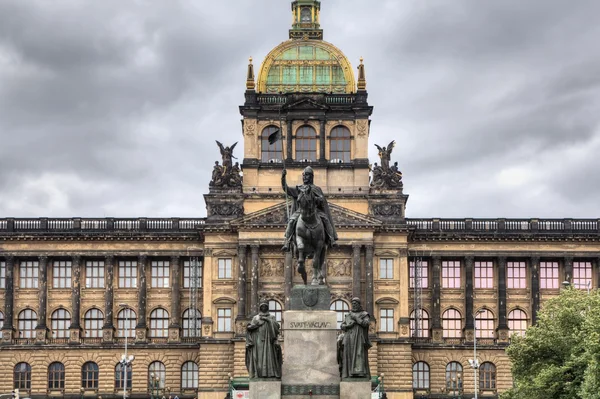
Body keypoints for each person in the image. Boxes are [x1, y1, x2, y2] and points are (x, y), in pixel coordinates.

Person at [281, 166, 338, 251]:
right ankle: (287, 241)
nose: (304, 177)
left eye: (307, 175)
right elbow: (286, 189)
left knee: (326, 220)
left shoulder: (316, 189)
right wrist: (283, 178)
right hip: (301, 211)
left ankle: (331, 239)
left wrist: (315, 199)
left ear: (311, 177)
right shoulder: (299, 188)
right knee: (291, 221)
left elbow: (322, 200)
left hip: (315, 211)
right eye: (303, 175)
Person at [245, 302, 282, 379]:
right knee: (259, 357)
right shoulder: (256, 317)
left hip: (269, 340)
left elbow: (277, 326)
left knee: (269, 356)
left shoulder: (272, 317)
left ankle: (270, 373)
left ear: (267, 308)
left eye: (265, 306)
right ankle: (258, 374)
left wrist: (268, 320)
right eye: (262, 306)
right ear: (260, 308)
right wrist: (257, 325)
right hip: (258, 339)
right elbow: (250, 328)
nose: (264, 308)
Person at [339, 298, 372, 379]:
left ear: (359, 304)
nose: (354, 305)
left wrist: (356, 319)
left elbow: (366, 324)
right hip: (348, 338)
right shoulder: (349, 315)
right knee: (348, 356)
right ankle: (348, 374)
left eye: (355, 303)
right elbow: (342, 326)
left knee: (359, 355)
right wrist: (348, 326)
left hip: (359, 338)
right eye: (353, 304)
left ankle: (359, 373)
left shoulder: (364, 314)